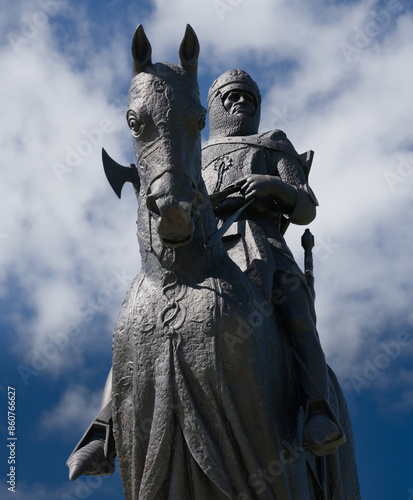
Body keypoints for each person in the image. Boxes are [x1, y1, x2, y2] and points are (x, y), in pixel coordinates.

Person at [202, 68, 345, 456]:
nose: (240, 102)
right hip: (203, 244)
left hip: (263, 241)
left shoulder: (272, 143)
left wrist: (273, 186)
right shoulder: (190, 154)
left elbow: (306, 207)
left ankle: (319, 412)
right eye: (230, 96)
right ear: (215, 104)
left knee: (296, 313)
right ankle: (108, 423)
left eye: (248, 97)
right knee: (146, 313)